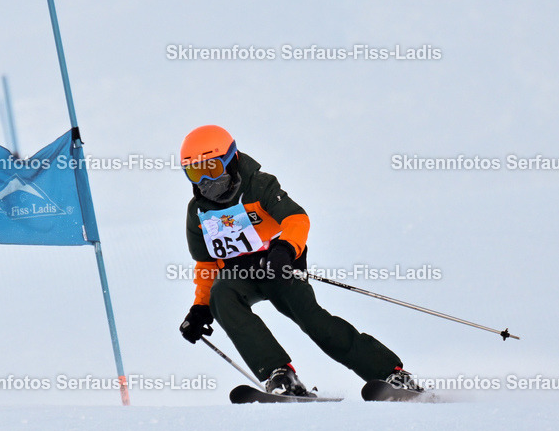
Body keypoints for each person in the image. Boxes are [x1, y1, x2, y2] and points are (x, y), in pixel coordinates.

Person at [177, 125, 421, 396]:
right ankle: (280, 376)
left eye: (212, 168)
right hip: (240, 277)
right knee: (221, 294)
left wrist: (284, 250)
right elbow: (207, 263)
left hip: (278, 268)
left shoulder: (258, 185)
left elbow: (296, 219)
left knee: (315, 323)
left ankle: (390, 374)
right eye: (196, 172)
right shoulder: (198, 211)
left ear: (231, 160)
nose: (207, 181)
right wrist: (200, 307)